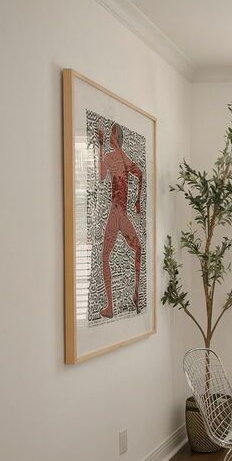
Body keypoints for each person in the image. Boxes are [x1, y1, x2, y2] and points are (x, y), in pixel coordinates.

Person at [95, 122, 143, 318]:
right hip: (122, 214)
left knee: (105, 257)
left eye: (111, 136)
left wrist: (99, 146)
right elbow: (140, 174)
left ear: (114, 138)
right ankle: (136, 294)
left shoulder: (110, 156)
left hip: (116, 214)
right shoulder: (124, 157)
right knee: (138, 248)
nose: (110, 139)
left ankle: (110, 307)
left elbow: (100, 176)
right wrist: (138, 201)